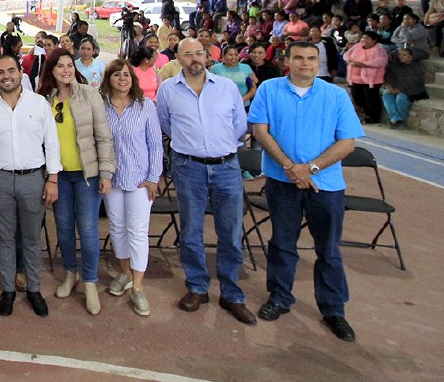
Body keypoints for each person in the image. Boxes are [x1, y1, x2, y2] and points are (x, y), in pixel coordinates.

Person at [249, 41, 364, 342]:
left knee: (328, 249)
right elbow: (261, 132)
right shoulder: (269, 90)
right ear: (288, 60)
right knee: (282, 243)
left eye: (312, 59)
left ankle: (333, 309)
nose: (306, 64)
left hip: (325, 186)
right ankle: (279, 298)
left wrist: (309, 168)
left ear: (319, 62)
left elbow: (347, 143)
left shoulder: (337, 96)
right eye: (299, 58)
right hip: (281, 183)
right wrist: (290, 167)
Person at [155, 39, 255, 325]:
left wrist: (218, 147)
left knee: (231, 232)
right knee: (190, 231)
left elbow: (238, 126)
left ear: (208, 57)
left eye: (199, 53)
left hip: (226, 167)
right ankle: (197, 287)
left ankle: (232, 293)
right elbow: (166, 125)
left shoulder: (226, 88)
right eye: (188, 54)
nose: (195, 59)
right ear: (178, 59)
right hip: (188, 167)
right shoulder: (167, 91)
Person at [0, 53, 61, 317]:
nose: (6, 76)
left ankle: (34, 288)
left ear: (21, 72)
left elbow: (52, 142)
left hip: (34, 179)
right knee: (6, 238)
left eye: (11, 70)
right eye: (1, 72)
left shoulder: (39, 104)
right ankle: (8, 289)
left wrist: (52, 178)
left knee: (31, 239)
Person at [38, 48, 113, 315]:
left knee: (88, 229)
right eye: (61, 66)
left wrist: (105, 173)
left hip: (86, 176)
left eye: (70, 65)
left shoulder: (89, 95)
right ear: (52, 70)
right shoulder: (44, 100)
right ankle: (71, 273)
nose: (66, 70)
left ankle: (90, 281)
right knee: (64, 227)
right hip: (58, 177)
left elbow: (104, 137)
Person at [99, 57, 163, 316]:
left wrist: (154, 178)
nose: (122, 79)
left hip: (139, 180)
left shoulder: (145, 106)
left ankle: (138, 287)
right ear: (109, 79)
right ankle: (125, 273)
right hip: (112, 179)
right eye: (117, 75)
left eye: (126, 75)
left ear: (132, 79)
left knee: (137, 231)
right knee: (117, 229)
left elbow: (155, 144)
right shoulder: (101, 106)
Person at [343, 31, 387, 124]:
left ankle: (373, 118)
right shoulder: (357, 46)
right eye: (363, 38)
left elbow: (380, 61)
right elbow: (347, 55)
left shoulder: (379, 49)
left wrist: (363, 64)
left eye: (367, 38)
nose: (364, 40)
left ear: (374, 40)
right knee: (357, 98)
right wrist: (350, 61)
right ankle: (361, 116)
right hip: (355, 78)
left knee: (370, 99)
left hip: (371, 79)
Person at [381, 46, 428, 129]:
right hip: (394, 89)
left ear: (410, 57)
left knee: (400, 99)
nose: (401, 56)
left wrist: (401, 89)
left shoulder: (415, 68)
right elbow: (387, 77)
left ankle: (396, 121)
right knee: (386, 96)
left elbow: (414, 82)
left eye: (404, 55)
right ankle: (396, 119)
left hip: (410, 91)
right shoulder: (395, 66)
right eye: (400, 54)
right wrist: (390, 87)